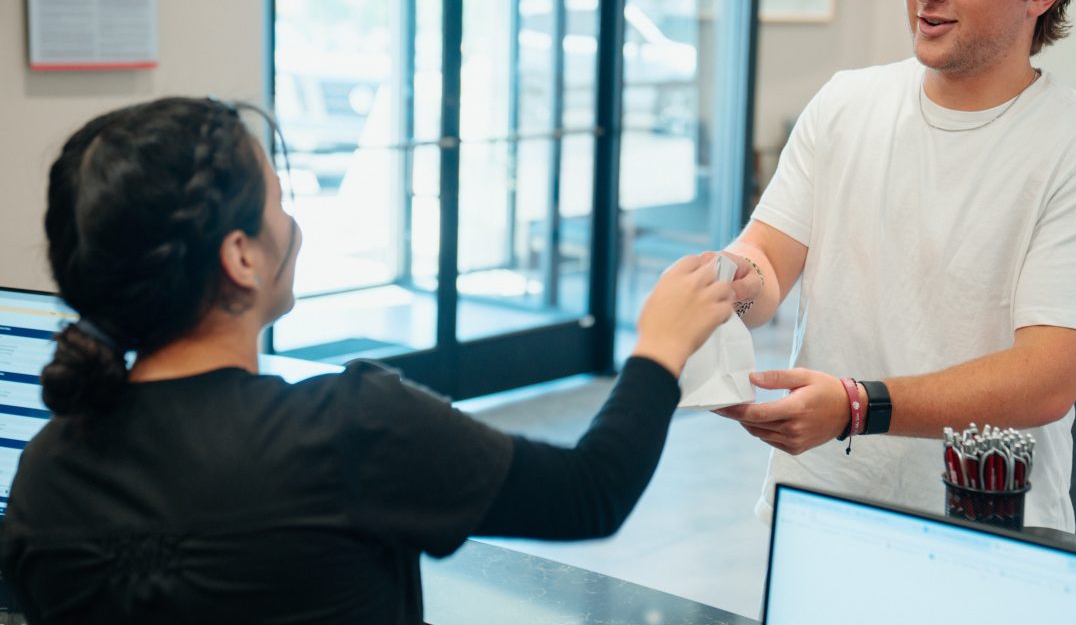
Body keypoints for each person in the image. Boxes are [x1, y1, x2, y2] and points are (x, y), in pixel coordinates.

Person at [0, 97, 736, 624]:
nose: (293, 223)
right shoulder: (350, 429)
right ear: (241, 257)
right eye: (279, 201)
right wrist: (659, 347)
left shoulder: (45, 477)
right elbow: (590, 494)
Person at [715, 0, 1076, 531]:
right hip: (818, 504)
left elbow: (1045, 378)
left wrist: (859, 405)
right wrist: (729, 279)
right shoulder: (844, 104)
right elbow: (768, 263)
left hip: (988, 524)